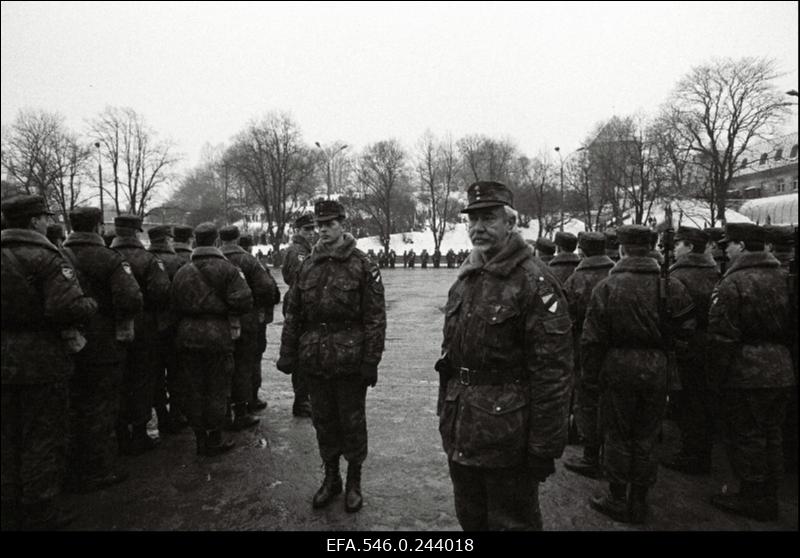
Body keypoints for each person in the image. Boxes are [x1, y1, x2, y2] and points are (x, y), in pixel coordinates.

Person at [436, 181, 573, 531]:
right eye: (472, 220)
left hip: (508, 435)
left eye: (488, 218)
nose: (477, 228)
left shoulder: (533, 280)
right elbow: (452, 359)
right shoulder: (467, 276)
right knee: (471, 519)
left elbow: (553, 371)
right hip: (463, 428)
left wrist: (544, 445)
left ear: (510, 223)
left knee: (511, 523)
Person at [581, 224, 695, 524]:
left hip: (617, 367)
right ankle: (640, 500)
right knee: (646, 435)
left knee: (618, 433)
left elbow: (592, 338)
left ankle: (618, 497)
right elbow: (687, 329)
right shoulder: (670, 284)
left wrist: (590, 375)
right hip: (658, 368)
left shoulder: (607, 287)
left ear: (621, 249)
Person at [278, 199, 386, 513]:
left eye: (329, 224)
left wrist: (371, 360)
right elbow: (294, 313)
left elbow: (375, 318)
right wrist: (288, 352)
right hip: (314, 359)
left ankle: (354, 481)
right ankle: (331, 478)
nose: (323, 231)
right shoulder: (308, 265)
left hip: (350, 359)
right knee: (323, 421)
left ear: (342, 224)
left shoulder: (362, 264)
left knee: (352, 422)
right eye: (319, 226)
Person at [1, 194, 98, 530]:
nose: (47, 222)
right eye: (44, 217)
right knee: (42, 433)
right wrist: (90, 306)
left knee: (8, 432)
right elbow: (65, 308)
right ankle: (40, 508)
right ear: (32, 221)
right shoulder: (46, 257)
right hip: (39, 359)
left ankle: (10, 502)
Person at [707, 223, 795, 522]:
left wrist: (715, 377)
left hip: (746, 370)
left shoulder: (733, 283)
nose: (724, 249)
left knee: (747, 435)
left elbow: (722, 336)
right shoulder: (785, 278)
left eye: (729, 244)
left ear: (742, 246)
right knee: (772, 434)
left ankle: (753, 495)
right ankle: (768, 493)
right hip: (781, 367)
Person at [61, 207, 143, 493]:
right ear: (98, 226)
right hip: (102, 341)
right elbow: (131, 298)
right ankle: (97, 469)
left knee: (73, 404)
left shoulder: (57, 254)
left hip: (65, 344)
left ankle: (71, 467)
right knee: (101, 406)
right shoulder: (108, 259)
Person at [171, 223, 253, 456]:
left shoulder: (183, 271)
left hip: (187, 335)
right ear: (216, 241)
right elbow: (244, 301)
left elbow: (173, 303)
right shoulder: (228, 269)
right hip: (217, 334)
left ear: (195, 242)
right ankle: (214, 438)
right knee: (217, 387)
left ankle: (199, 438)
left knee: (194, 387)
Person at [661, 227, 720, 476]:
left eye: (678, 244)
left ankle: (691, 455)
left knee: (687, 402)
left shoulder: (679, 274)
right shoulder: (715, 271)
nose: (674, 249)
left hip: (686, 344)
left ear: (688, 246)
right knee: (703, 401)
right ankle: (700, 452)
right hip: (711, 342)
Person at [111, 215, 171, 455]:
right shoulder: (148, 260)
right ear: (137, 232)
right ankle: (138, 432)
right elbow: (161, 293)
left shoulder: (107, 256)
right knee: (143, 379)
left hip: (109, 329)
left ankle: (120, 433)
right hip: (145, 328)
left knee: (117, 381)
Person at [562, 232, 614, 479]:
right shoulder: (616, 274)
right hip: (617, 351)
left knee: (587, 398)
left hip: (584, 345)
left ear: (582, 252)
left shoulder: (577, 280)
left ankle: (591, 455)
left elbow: (556, 309)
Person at [220, 225, 280, 428]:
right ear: (237, 238)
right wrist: (258, 308)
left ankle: (224, 411)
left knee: (223, 367)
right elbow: (267, 288)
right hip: (247, 319)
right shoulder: (249, 260)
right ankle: (242, 410)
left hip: (220, 322)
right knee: (244, 365)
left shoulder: (215, 259)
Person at [146, 225, 189, 436]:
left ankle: (161, 414)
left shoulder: (144, 260)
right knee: (177, 372)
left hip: (148, 328)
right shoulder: (179, 262)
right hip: (174, 326)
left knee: (154, 374)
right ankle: (177, 414)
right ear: (167, 240)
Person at [281, 213, 316, 418]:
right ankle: (301, 400)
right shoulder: (297, 252)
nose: (311, 233)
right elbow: (296, 279)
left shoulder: (306, 250)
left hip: (304, 303)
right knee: (302, 354)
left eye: (312, 229)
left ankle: (304, 398)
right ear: (297, 231)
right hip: (299, 304)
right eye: (306, 230)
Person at [240, 234, 274, 411]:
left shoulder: (219, 258)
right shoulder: (254, 263)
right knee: (253, 359)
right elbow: (269, 290)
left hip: (225, 322)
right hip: (252, 319)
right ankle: (251, 398)